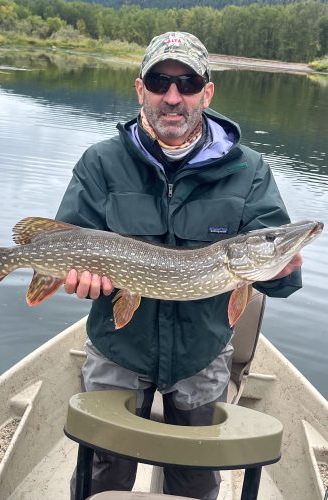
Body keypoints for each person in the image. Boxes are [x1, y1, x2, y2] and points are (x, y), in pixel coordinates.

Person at [56, 32, 302, 500]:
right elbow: (70, 237)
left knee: (195, 477)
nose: (173, 96)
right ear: (140, 88)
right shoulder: (101, 163)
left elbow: (278, 269)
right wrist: (78, 279)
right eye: (160, 81)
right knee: (102, 472)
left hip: (201, 354)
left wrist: (284, 269)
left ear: (207, 92)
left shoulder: (248, 171)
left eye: (187, 83)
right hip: (117, 348)